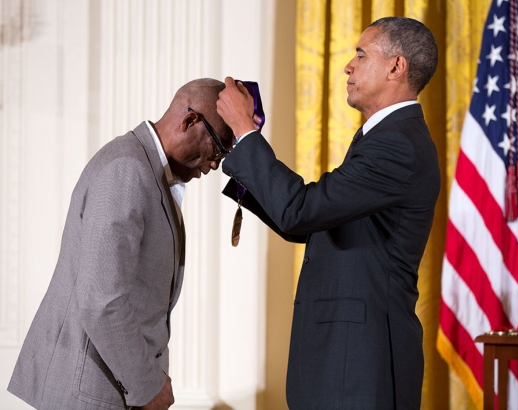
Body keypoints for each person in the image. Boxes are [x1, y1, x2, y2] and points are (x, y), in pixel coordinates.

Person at [217, 17, 440, 409]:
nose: (348, 66)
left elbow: (301, 210)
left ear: (396, 67)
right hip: (345, 364)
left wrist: (246, 134)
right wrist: (244, 161)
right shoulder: (387, 138)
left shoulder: (397, 145)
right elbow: (316, 222)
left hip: (358, 367)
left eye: (360, 54)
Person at [8, 78, 234, 410]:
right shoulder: (127, 169)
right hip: (90, 394)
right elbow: (103, 301)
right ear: (189, 121)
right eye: (218, 147)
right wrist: (148, 388)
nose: (216, 164)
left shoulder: (145, 169)